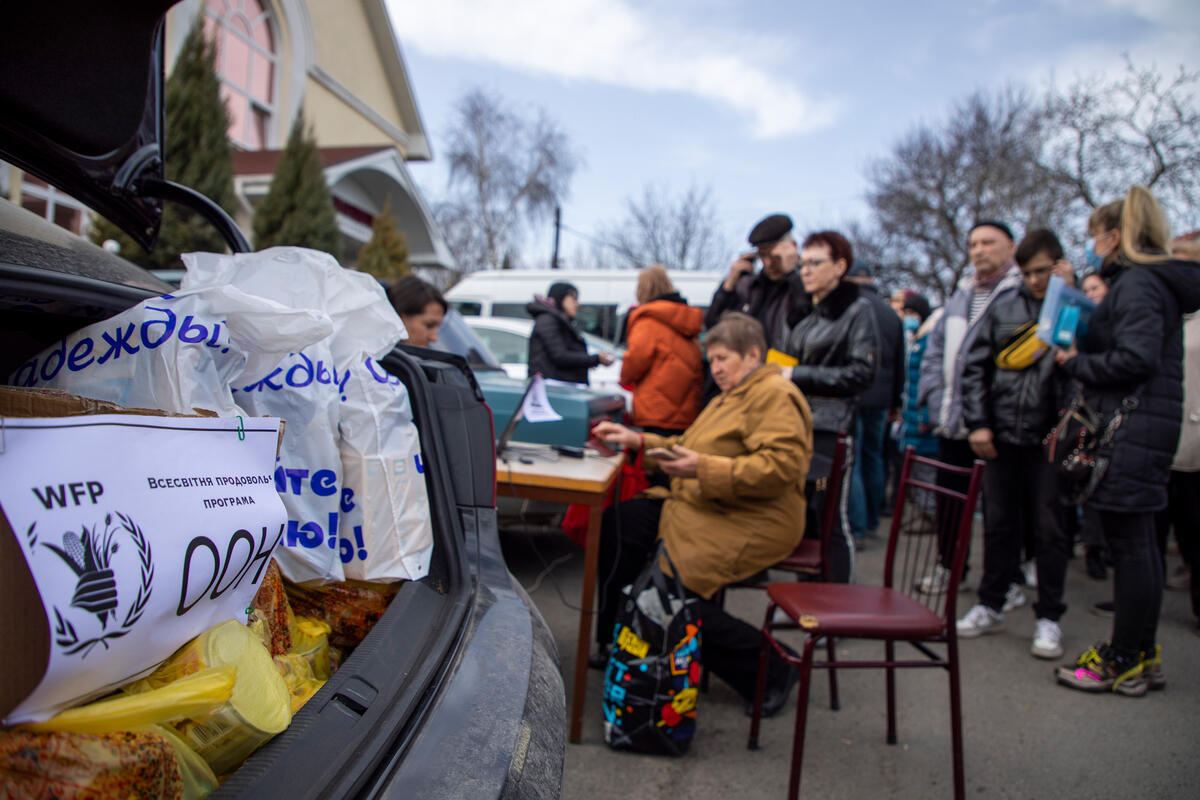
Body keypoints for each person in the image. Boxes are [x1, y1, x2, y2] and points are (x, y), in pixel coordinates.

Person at [591, 312, 813, 717]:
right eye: (712, 361)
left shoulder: (774, 396)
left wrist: (702, 469)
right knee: (618, 526)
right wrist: (637, 440)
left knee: (668, 594)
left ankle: (771, 668)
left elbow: (783, 468)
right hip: (706, 501)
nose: (717, 369)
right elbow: (688, 447)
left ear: (753, 355)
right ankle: (621, 640)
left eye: (723, 359)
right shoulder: (732, 397)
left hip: (754, 516)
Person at [1054, 186, 1200, 696]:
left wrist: (1077, 362)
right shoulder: (1151, 283)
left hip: (1129, 428)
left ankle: (1122, 659)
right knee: (1142, 544)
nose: (1092, 244)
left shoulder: (1138, 284)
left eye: (1095, 234)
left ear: (1114, 237)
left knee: (1132, 547)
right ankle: (1140, 654)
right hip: (1146, 425)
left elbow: (1135, 359)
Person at [955, 229, 1073, 660]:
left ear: (1059, 265)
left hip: (1051, 437)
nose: (1037, 280)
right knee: (999, 524)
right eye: (1029, 272)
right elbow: (974, 369)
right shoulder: (1005, 306)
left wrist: (1071, 296)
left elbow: (1089, 363)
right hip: (1002, 433)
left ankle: (1050, 617)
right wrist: (978, 423)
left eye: (1045, 270)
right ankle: (991, 603)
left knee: (1049, 530)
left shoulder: (1072, 307)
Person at [916, 220, 1023, 596]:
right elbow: (934, 353)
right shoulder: (960, 296)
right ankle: (950, 567)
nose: (979, 250)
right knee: (949, 504)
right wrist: (931, 397)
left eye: (988, 242)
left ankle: (1005, 584)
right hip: (952, 421)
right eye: (974, 243)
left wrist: (989, 417)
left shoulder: (1020, 294)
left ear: (1011, 246)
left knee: (1001, 511)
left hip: (996, 425)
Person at [781, 231, 879, 583]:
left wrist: (797, 373)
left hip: (831, 430)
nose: (806, 271)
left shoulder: (858, 311)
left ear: (840, 267)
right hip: (798, 426)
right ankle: (808, 599)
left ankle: (835, 601)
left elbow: (862, 373)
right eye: (803, 263)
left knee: (829, 518)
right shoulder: (807, 315)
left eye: (815, 263)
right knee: (803, 515)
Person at [845, 262, 904, 543]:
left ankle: (855, 526)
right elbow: (899, 361)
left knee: (852, 459)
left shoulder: (851, 307)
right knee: (874, 456)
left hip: (853, 394)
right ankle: (870, 521)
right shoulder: (890, 313)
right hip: (881, 398)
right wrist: (895, 401)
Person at [704, 214, 809, 349]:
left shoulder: (806, 284)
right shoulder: (749, 287)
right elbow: (713, 323)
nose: (767, 263)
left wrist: (793, 273)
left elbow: (803, 322)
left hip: (780, 366)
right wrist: (729, 284)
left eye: (774, 256)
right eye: (762, 255)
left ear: (792, 248)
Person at [621, 265, 704, 435]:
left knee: (653, 458)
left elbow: (636, 360)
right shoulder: (686, 319)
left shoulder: (647, 321)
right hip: (688, 408)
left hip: (656, 408)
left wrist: (624, 376)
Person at [526, 281, 614, 384]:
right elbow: (560, 356)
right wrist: (596, 359)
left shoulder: (559, 321)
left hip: (560, 387)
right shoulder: (548, 320)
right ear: (560, 297)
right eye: (573, 298)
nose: (577, 304)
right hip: (554, 389)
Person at [388, 275, 447, 348]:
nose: (434, 338)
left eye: (438, 327)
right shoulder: (372, 355)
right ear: (400, 318)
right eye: (429, 325)